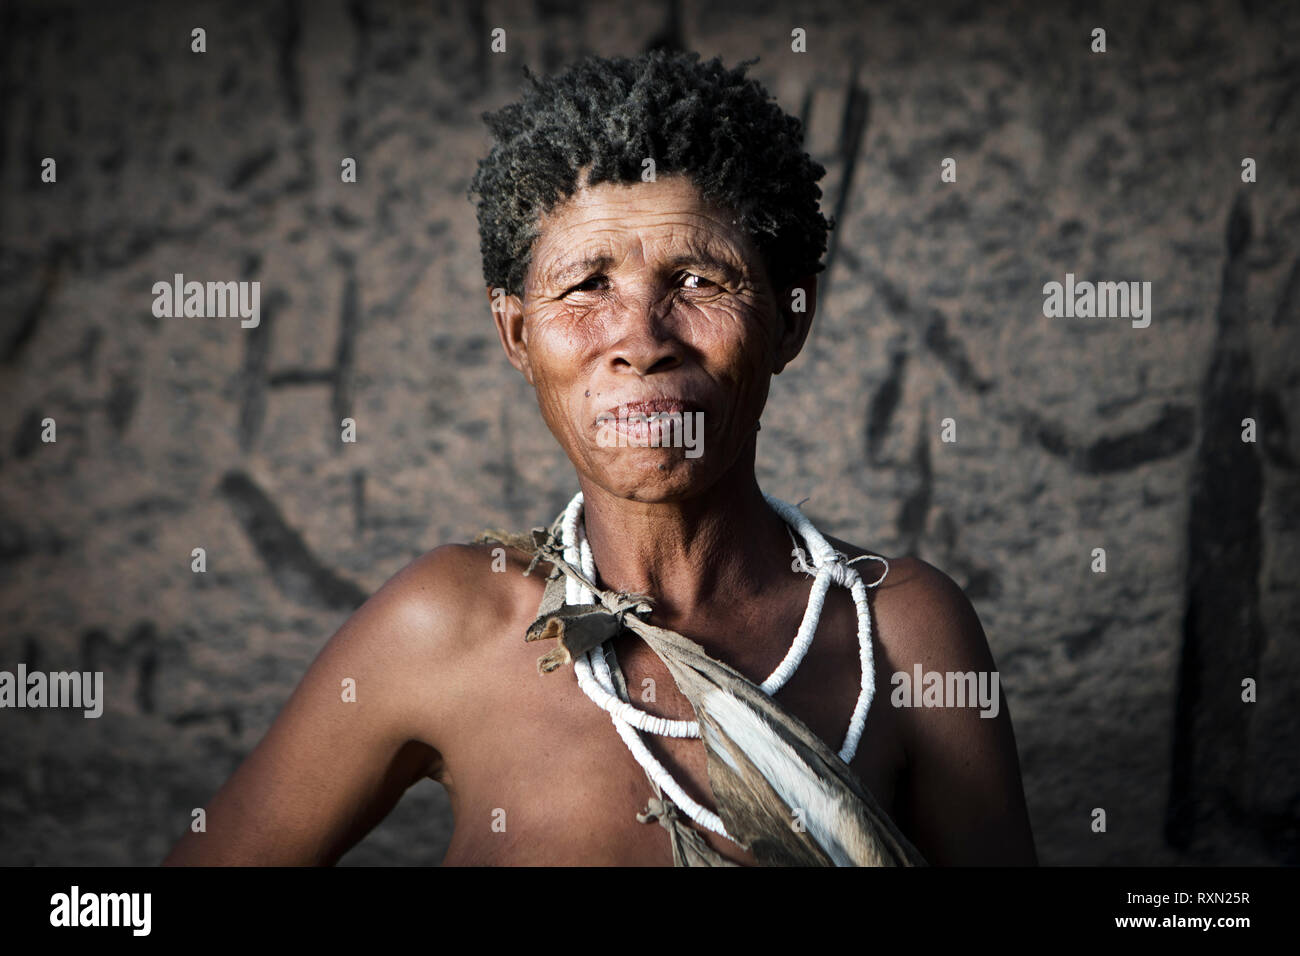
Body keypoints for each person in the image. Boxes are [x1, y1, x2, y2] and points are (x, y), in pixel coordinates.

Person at [163, 50, 1036, 867]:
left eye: (699, 282)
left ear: (790, 321)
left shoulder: (904, 636)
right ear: (517, 335)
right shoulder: (447, 627)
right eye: (586, 286)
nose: (640, 340)